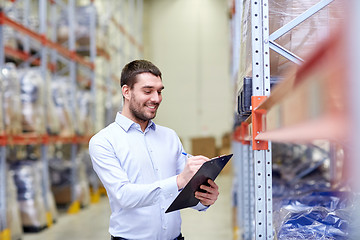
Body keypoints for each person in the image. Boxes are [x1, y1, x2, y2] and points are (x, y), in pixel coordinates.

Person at [89, 59, 219, 240]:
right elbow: (124, 196)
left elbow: (185, 189)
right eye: (148, 91)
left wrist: (203, 199)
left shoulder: (169, 137)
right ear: (126, 91)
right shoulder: (103, 142)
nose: (156, 99)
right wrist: (179, 180)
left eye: (159, 91)